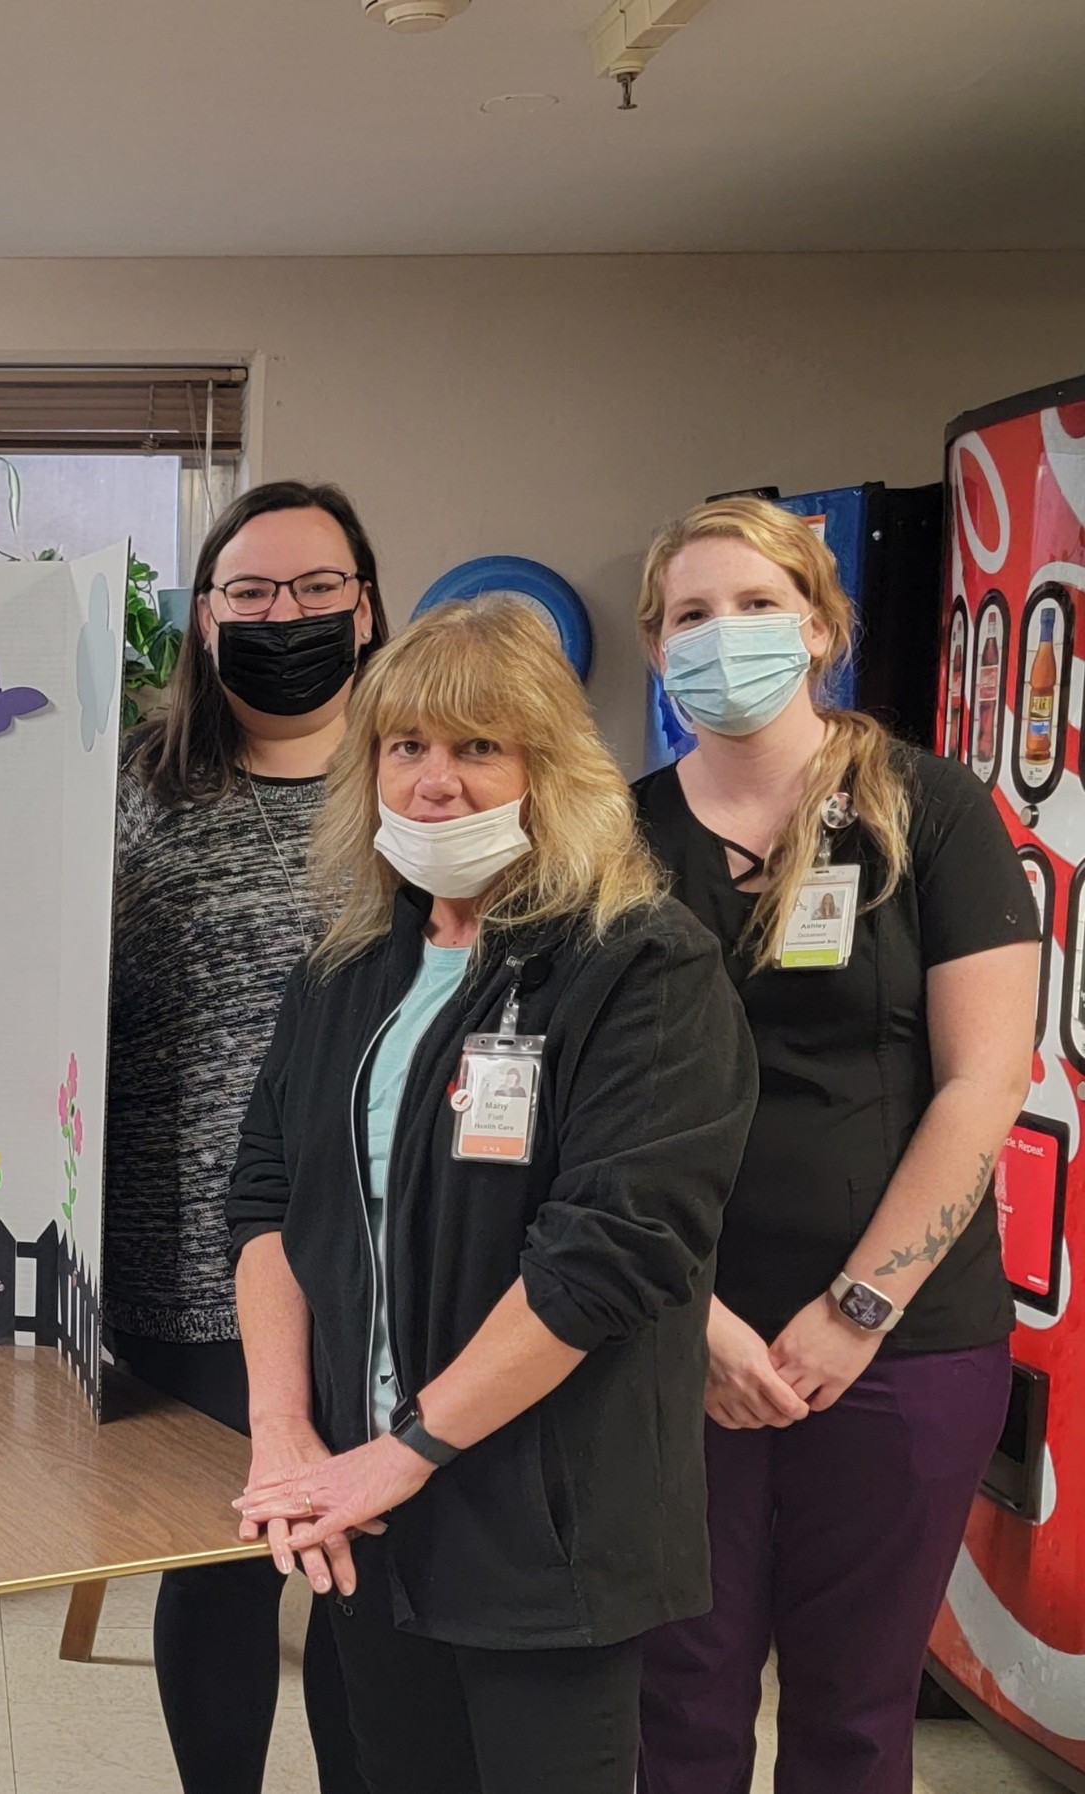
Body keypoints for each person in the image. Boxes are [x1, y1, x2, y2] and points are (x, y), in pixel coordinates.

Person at [227, 598, 756, 1794]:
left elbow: (605, 1256)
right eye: (404, 747)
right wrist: (285, 1434)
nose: (433, 783)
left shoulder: (638, 964)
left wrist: (403, 1451)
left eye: (478, 748)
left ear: (548, 770)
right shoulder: (349, 969)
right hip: (363, 1515)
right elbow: (267, 1199)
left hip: (539, 1530)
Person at [632, 499, 1036, 1794]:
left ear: (819, 624)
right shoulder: (616, 841)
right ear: (655, 649)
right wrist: (693, 1322)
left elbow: (985, 1080)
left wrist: (855, 1309)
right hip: (665, 1337)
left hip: (901, 1344)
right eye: (692, 614)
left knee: (856, 1718)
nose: (724, 633)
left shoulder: (936, 812)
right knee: (675, 1706)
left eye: (756, 603)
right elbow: (584, 1117)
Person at [107, 479, 389, 1794]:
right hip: (187, 1257)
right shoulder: (129, 790)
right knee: (220, 1566)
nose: (289, 614)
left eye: (317, 587)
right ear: (204, 621)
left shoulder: (433, 780)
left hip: (396, 1261)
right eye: (253, 592)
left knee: (366, 1574)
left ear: (368, 605)